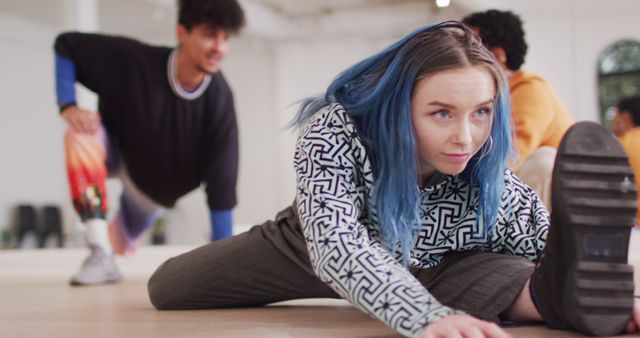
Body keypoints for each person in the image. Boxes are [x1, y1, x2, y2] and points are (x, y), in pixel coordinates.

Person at [146, 22, 639, 338]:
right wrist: (422, 316)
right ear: (398, 106)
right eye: (442, 113)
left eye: (482, 112)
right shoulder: (336, 133)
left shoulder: (488, 172)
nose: (466, 137)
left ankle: (557, 301)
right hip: (306, 249)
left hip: (440, 263)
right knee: (168, 286)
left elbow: (549, 244)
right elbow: (336, 246)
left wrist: (621, 299)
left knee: (523, 279)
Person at [54, 0, 245, 286]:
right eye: (209, 34)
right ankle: (98, 252)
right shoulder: (134, 61)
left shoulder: (220, 100)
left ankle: (111, 252)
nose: (219, 47)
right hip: (117, 152)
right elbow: (66, 45)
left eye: (225, 37)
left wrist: (223, 262)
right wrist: (68, 105)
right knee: (80, 137)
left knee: (121, 245)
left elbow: (222, 180)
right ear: (182, 33)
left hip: (150, 194)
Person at [462, 10, 573, 210]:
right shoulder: (493, 95)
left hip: (556, 199)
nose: (459, 55)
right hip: (524, 192)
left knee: (543, 161)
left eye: (469, 49)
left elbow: (512, 155)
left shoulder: (530, 89)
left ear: (498, 56)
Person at [613, 95, 640, 226]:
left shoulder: (622, 144)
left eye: (615, 115)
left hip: (634, 224)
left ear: (626, 117)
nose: (613, 120)